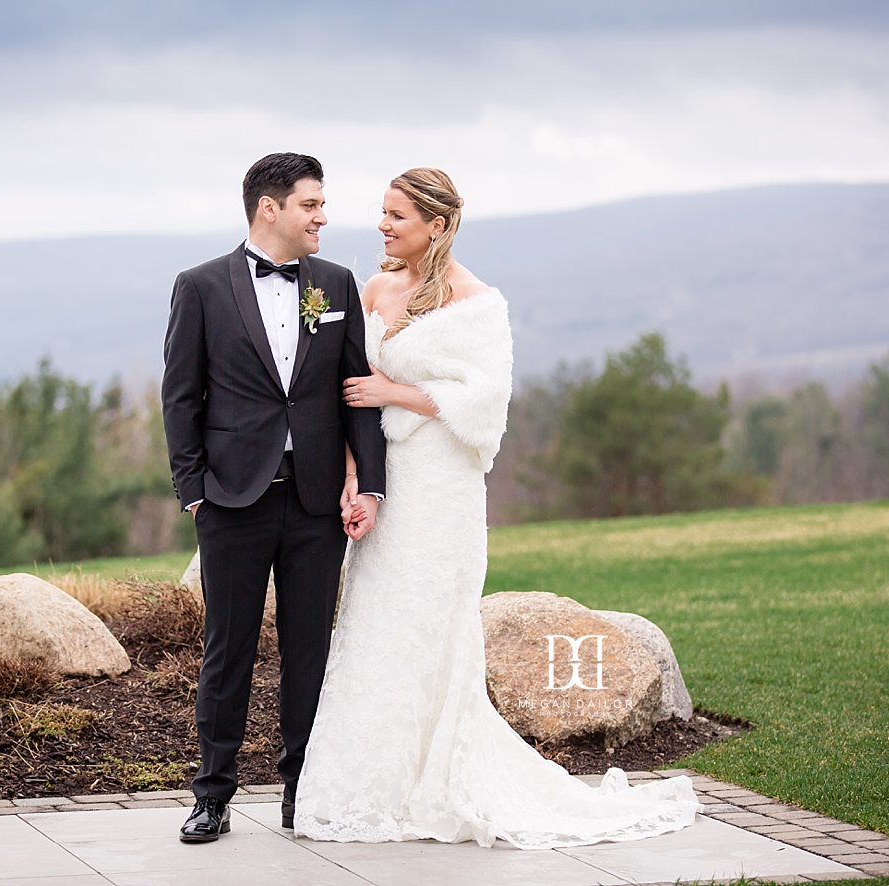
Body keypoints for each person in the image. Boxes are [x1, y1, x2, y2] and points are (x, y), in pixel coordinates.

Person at [294, 168, 700, 849]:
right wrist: (353, 479)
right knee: (376, 624)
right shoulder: (373, 290)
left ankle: (438, 785)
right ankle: (374, 785)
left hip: (441, 488)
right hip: (385, 481)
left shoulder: (477, 303)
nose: (383, 226)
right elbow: (346, 394)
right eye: (383, 213)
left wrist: (396, 393)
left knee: (430, 628)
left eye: (397, 216)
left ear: (437, 225)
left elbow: (483, 405)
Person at [161, 152, 387, 844]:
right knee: (226, 650)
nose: (323, 217)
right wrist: (194, 490)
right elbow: (180, 395)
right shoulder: (200, 286)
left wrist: (369, 484)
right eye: (311, 204)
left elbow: (356, 396)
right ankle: (212, 795)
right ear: (270, 208)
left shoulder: (337, 283)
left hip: (316, 503)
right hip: (232, 501)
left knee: (307, 654)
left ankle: (302, 791)